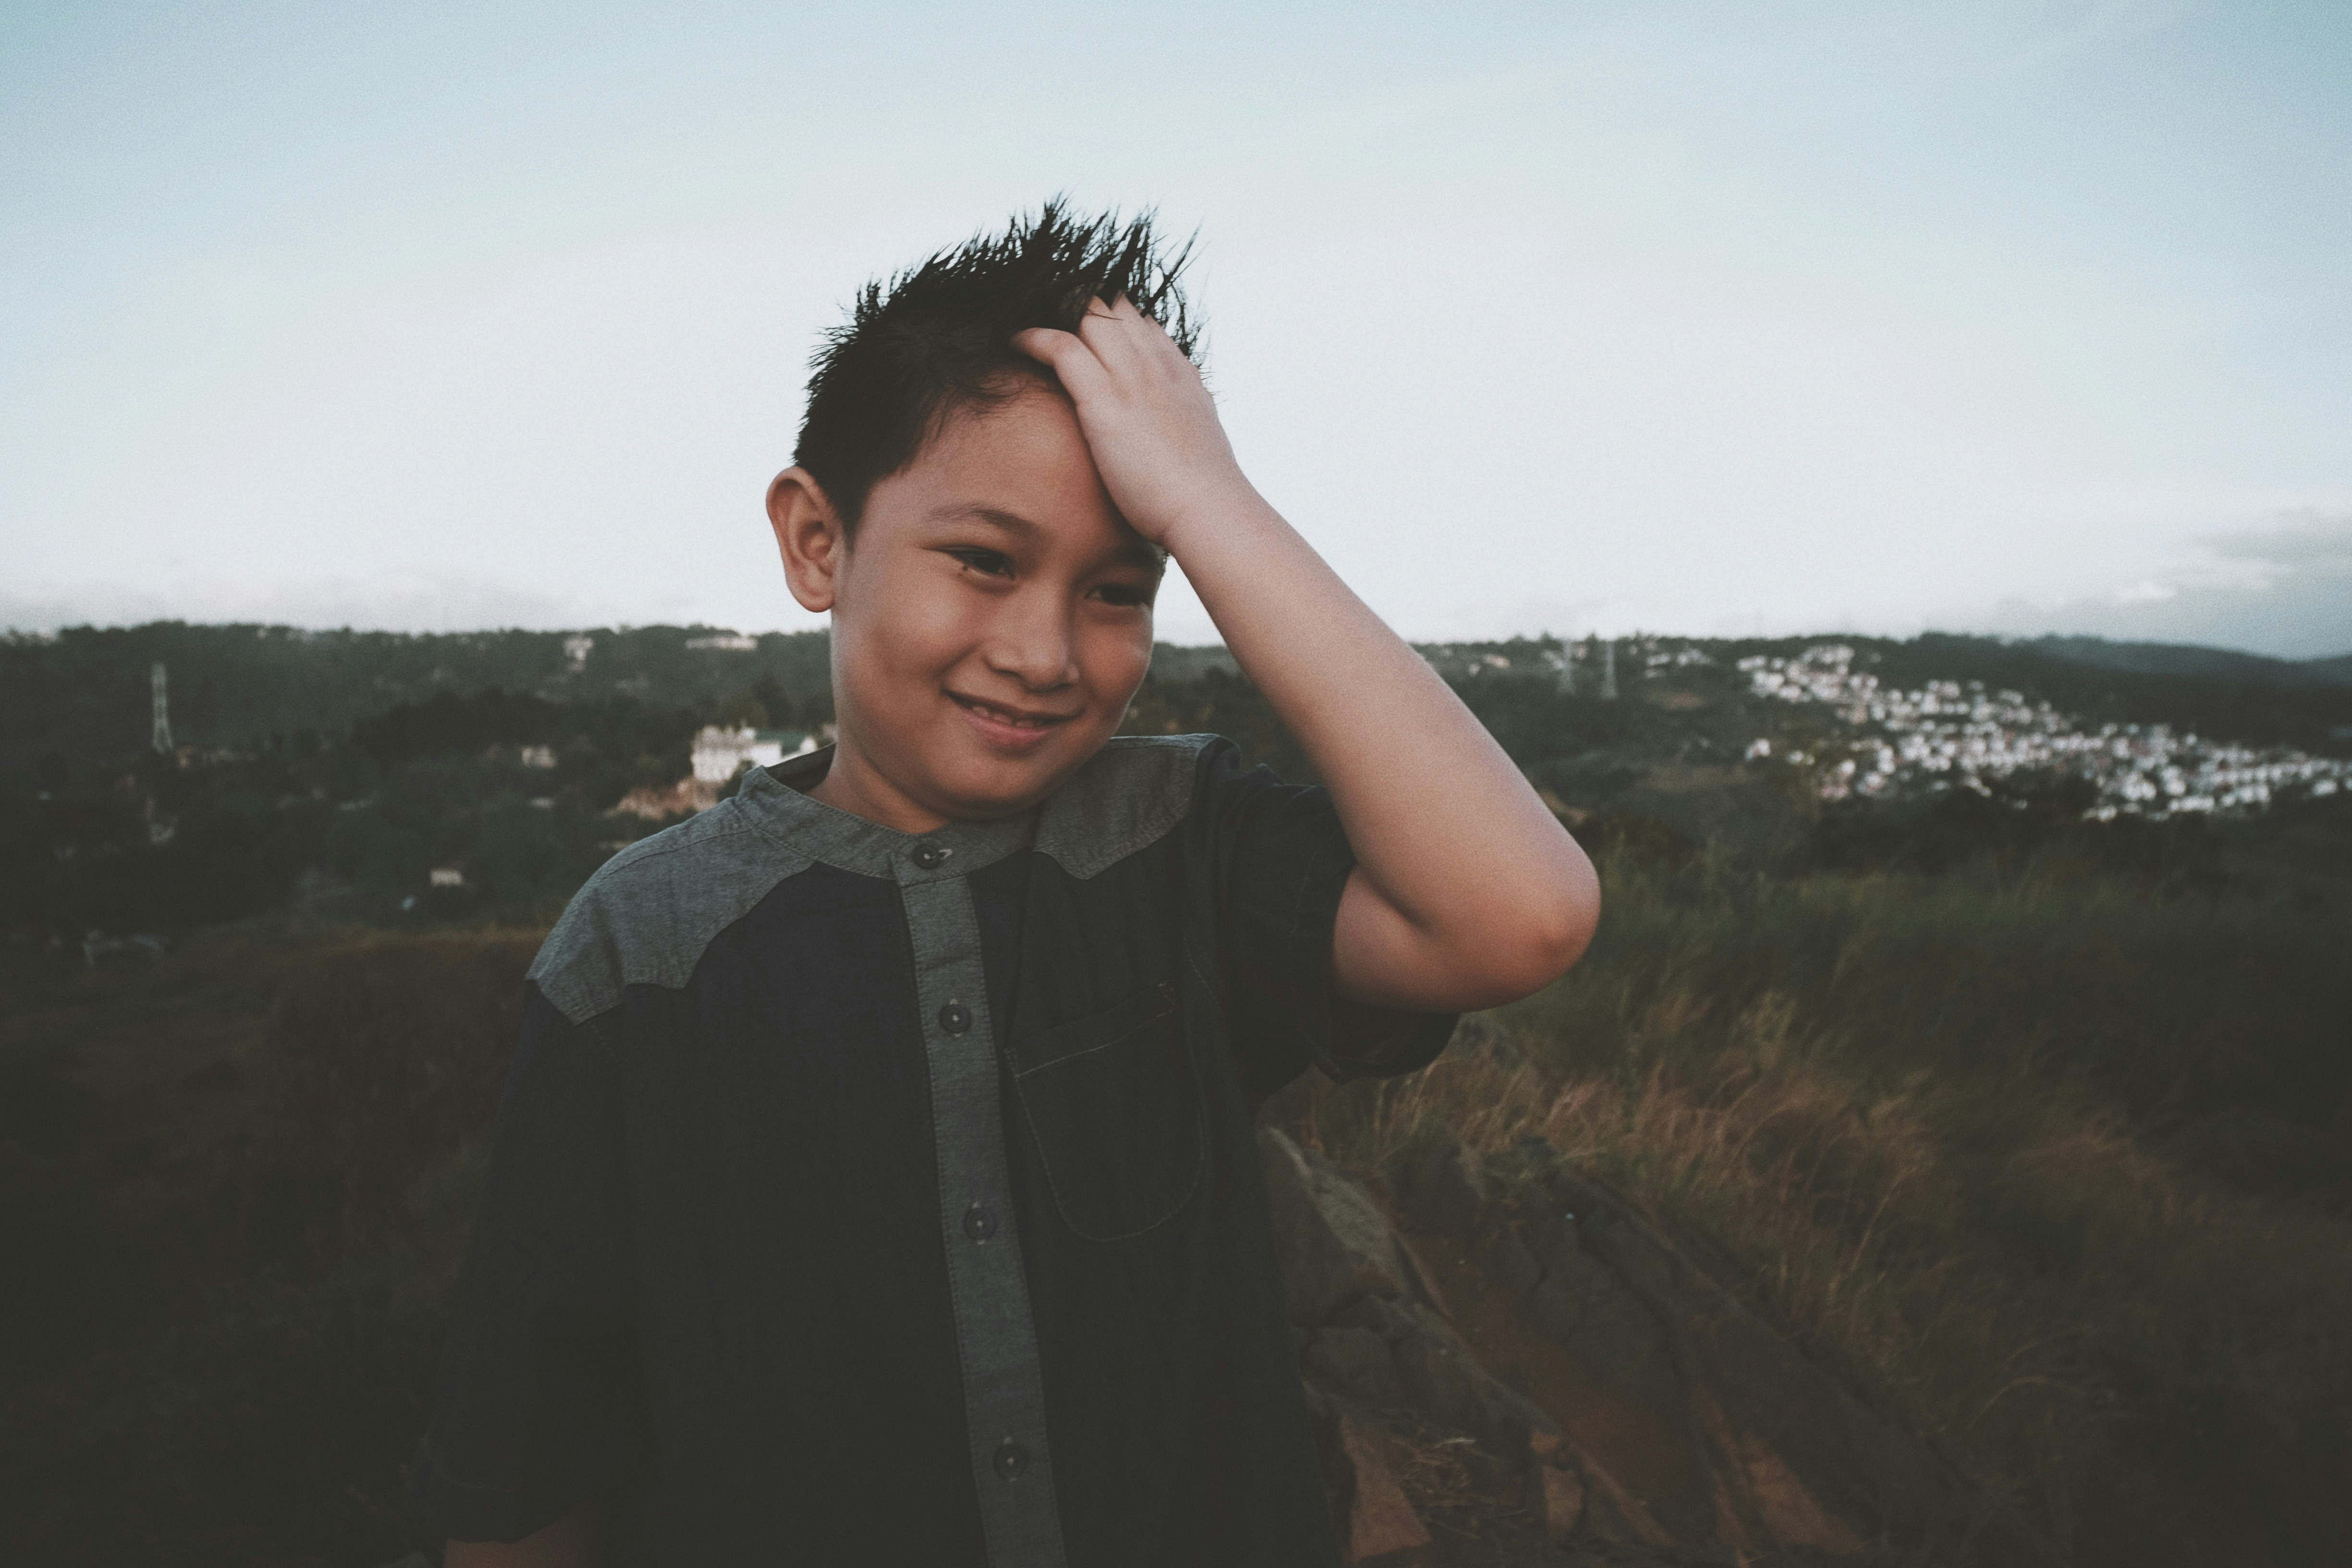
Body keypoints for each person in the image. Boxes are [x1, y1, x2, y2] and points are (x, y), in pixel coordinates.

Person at [408, 202, 1600, 1566]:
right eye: (985, 561)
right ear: (816, 540)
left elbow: (1523, 911)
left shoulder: (1181, 844)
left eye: (1118, 588)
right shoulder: (641, 945)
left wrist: (1210, 501)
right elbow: (532, 1452)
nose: (1046, 652)